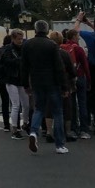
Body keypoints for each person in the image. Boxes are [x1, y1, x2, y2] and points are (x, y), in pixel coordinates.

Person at [21, 19, 68, 154]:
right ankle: (59, 144)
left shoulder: (27, 45)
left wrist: (25, 83)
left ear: (35, 30)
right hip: (52, 82)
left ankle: (34, 132)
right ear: (47, 30)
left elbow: (24, 67)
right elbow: (59, 67)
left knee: (39, 109)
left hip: (36, 81)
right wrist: (64, 86)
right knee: (57, 112)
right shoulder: (52, 45)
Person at [0, 29, 29, 139]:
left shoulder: (18, 48)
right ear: (13, 39)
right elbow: (6, 62)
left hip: (19, 78)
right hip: (11, 79)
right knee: (16, 105)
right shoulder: (8, 50)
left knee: (26, 105)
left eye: (21, 39)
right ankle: (15, 128)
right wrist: (20, 60)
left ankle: (25, 123)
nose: (21, 41)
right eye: (19, 39)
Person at [47, 31, 77, 143]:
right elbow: (72, 71)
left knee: (49, 108)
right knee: (66, 108)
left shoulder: (46, 54)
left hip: (49, 83)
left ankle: (49, 132)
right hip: (64, 83)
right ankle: (67, 132)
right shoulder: (64, 54)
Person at [62, 28, 92, 138]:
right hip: (80, 77)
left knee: (72, 104)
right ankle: (84, 129)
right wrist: (88, 80)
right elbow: (85, 65)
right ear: (74, 36)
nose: (79, 37)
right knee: (82, 103)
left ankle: (73, 128)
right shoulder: (79, 49)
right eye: (77, 36)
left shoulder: (63, 48)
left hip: (69, 79)